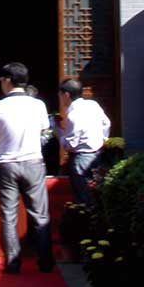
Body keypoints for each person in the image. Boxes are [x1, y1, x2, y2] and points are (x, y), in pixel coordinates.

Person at [0, 61, 55, 273]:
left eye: (2, 80)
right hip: (33, 161)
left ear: (8, 80)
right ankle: (45, 260)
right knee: (39, 214)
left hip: (7, 163)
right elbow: (44, 129)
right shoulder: (38, 105)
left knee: (8, 215)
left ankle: (12, 262)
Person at [57, 78, 111, 206]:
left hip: (80, 159)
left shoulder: (73, 115)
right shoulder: (93, 105)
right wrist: (103, 139)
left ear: (66, 95)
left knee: (83, 198)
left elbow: (70, 145)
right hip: (97, 155)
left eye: (60, 94)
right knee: (96, 193)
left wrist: (58, 132)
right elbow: (107, 123)